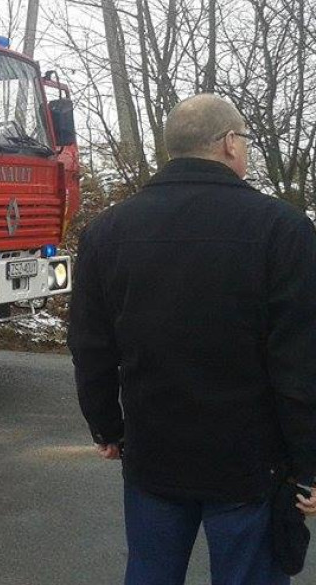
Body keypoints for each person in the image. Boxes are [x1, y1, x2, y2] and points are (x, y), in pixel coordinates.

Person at [68, 94, 316, 584]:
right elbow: (300, 361)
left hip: (153, 455)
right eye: (244, 140)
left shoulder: (107, 232)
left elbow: (91, 346)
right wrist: (309, 461)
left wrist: (107, 427)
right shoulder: (283, 230)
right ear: (228, 143)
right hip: (249, 465)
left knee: (150, 574)